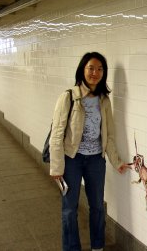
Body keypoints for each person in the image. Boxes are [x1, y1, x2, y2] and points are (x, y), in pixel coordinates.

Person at [49, 52, 129, 251]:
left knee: (97, 207)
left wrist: (116, 161)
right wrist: (56, 167)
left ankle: (97, 247)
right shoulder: (68, 97)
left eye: (100, 69)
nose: (95, 73)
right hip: (72, 160)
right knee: (69, 209)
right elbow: (57, 134)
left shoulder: (104, 100)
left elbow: (108, 136)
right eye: (91, 68)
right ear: (82, 70)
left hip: (95, 161)